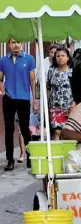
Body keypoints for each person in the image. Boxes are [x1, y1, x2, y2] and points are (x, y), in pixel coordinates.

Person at [0, 38, 38, 171]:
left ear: (22, 44)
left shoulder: (29, 59)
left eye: (18, 42)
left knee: (25, 129)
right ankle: (10, 160)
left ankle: (29, 157)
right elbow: (0, 78)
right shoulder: (3, 60)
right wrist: (4, 92)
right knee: (9, 129)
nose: (16, 45)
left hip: (24, 98)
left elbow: (33, 80)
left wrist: (34, 100)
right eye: (13, 42)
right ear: (9, 44)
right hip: (9, 98)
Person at [47, 47, 75, 140]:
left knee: (68, 131)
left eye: (63, 56)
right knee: (57, 131)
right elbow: (48, 87)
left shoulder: (72, 70)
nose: (60, 58)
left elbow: (77, 88)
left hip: (69, 105)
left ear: (67, 57)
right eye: (58, 56)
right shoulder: (52, 70)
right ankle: (56, 152)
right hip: (55, 105)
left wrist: (74, 103)